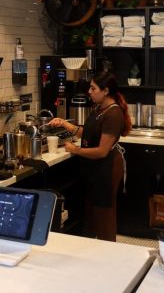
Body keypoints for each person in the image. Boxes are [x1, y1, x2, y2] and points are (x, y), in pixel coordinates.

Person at [48, 71, 131, 241]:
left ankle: (109, 250)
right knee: (93, 212)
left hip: (107, 168)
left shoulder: (113, 114)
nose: (89, 92)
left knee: (104, 214)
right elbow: (88, 133)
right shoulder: (100, 109)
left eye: (93, 88)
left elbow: (102, 151)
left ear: (106, 90)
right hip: (95, 168)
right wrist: (64, 123)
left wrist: (75, 150)